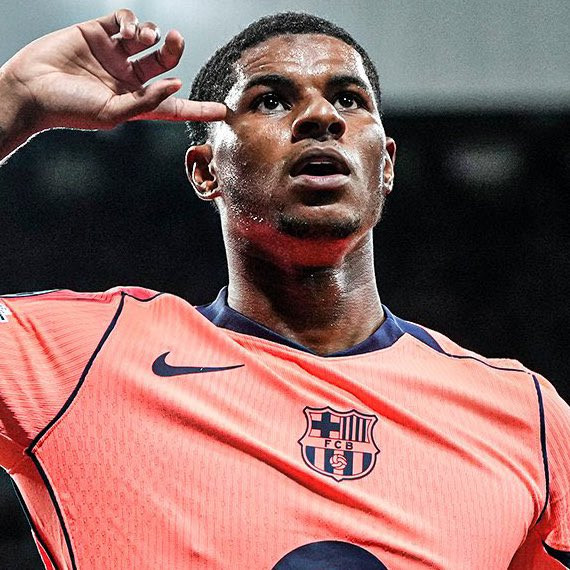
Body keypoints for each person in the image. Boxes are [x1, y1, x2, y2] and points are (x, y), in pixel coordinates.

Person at [0, 8, 568, 569]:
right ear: (205, 170)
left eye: (349, 99)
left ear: (386, 166)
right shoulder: (82, 359)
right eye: (270, 100)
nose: (321, 116)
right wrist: (15, 99)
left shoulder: (523, 415)